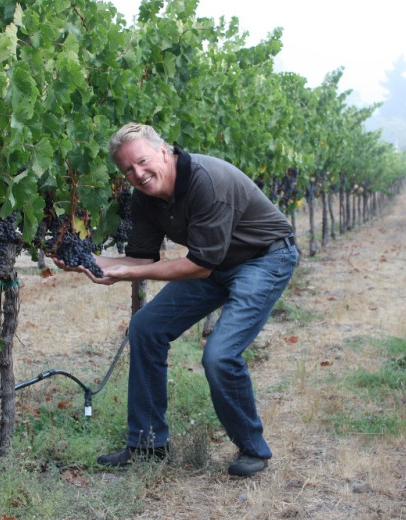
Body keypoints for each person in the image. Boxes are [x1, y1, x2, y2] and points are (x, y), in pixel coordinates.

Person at [55, 122, 297, 478]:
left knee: (219, 354)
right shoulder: (144, 197)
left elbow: (197, 266)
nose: (137, 173)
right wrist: (85, 262)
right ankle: (148, 444)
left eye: (141, 161)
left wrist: (127, 274)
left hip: (264, 259)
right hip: (215, 262)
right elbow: (142, 259)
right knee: (146, 328)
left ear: (164, 151)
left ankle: (252, 449)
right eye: (127, 170)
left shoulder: (206, 181)